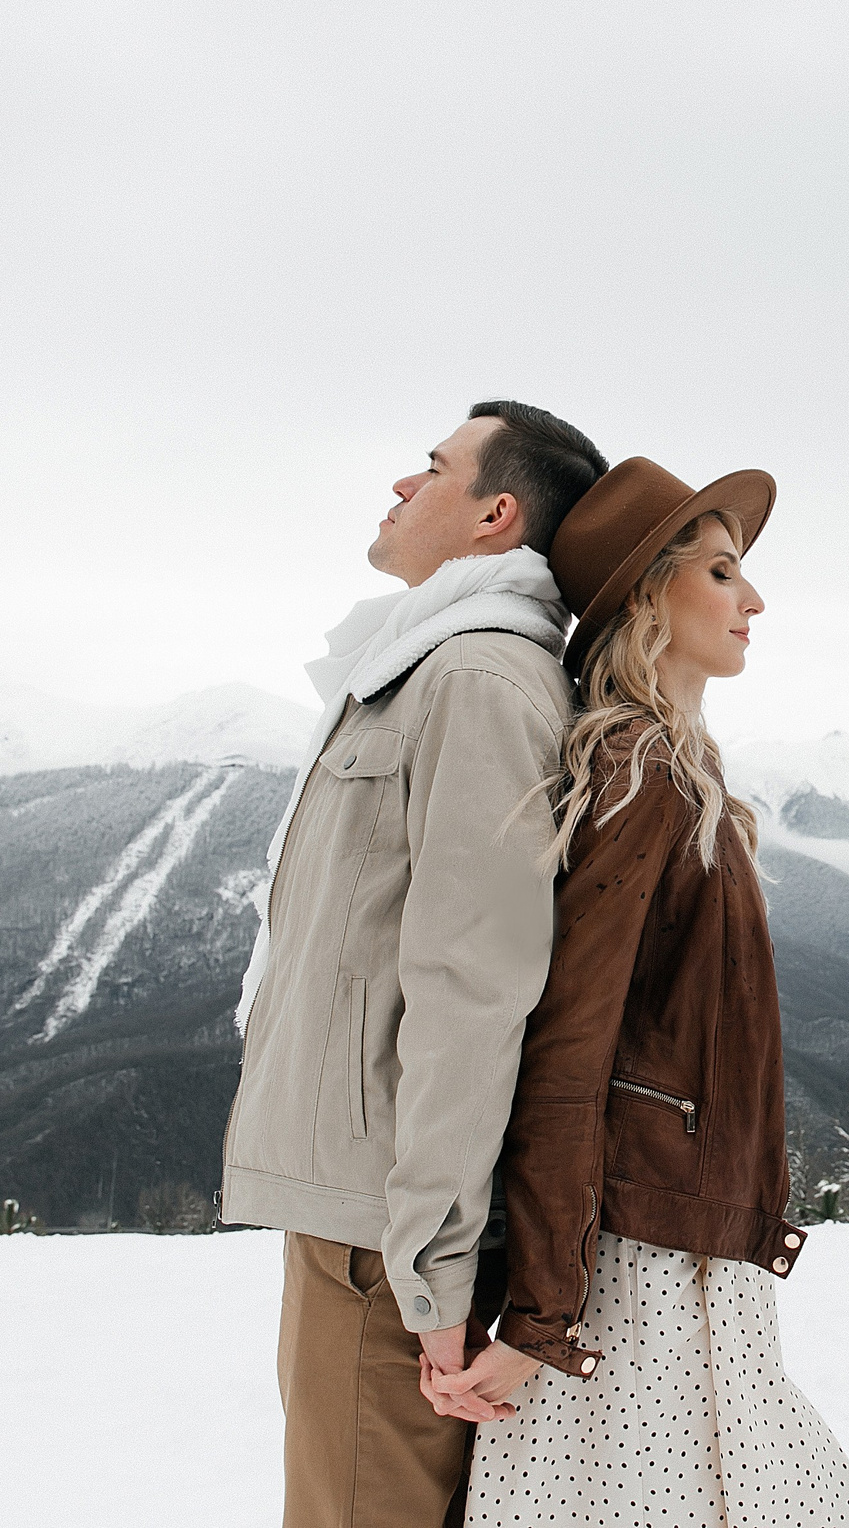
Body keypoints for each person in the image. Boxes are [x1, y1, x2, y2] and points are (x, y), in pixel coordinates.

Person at [424, 457, 849, 1528]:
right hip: (635, 1265)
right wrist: (541, 1319)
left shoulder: (678, 770)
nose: (753, 599)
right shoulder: (639, 777)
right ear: (648, 598)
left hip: (676, 1245)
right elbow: (568, 1054)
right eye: (721, 572)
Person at [220, 401, 608, 1528]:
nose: (399, 486)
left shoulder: (475, 681)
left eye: (429, 468)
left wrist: (430, 1265)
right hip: (370, 1217)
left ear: (496, 514)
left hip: (382, 1235)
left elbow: (472, 985)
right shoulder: (422, 668)